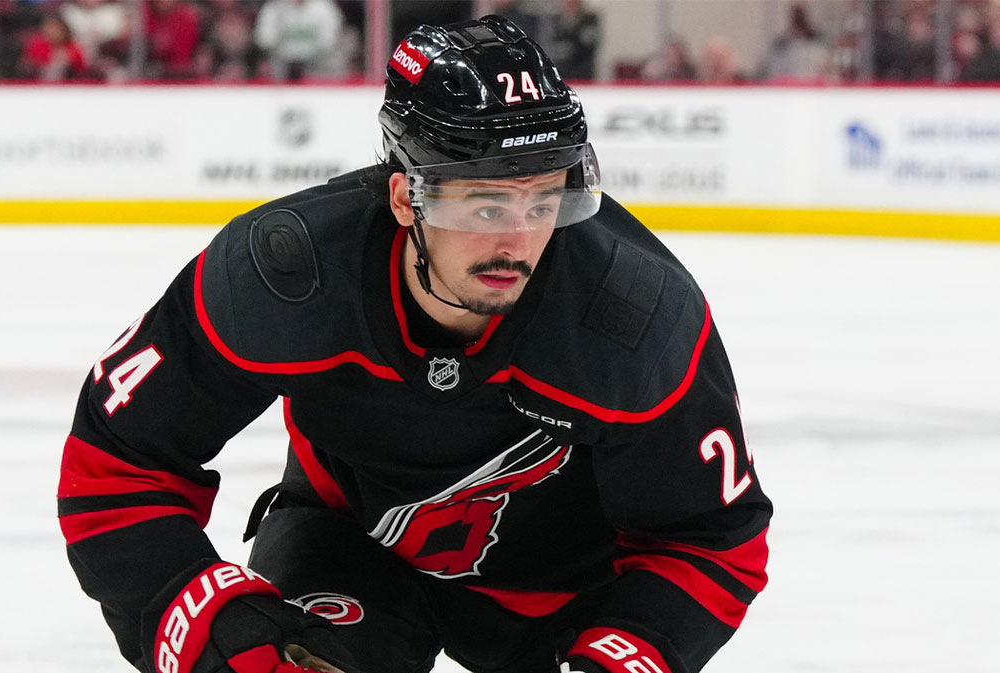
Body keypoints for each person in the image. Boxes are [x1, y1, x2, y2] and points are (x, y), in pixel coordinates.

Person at [58, 15, 771, 673]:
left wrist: (623, 657)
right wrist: (202, 616)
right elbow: (119, 462)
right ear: (406, 198)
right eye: (485, 204)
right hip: (347, 545)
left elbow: (710, 540)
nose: (517, 240)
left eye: (543, 200)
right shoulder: (285, 275)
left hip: (570, 597)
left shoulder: (633, 318)